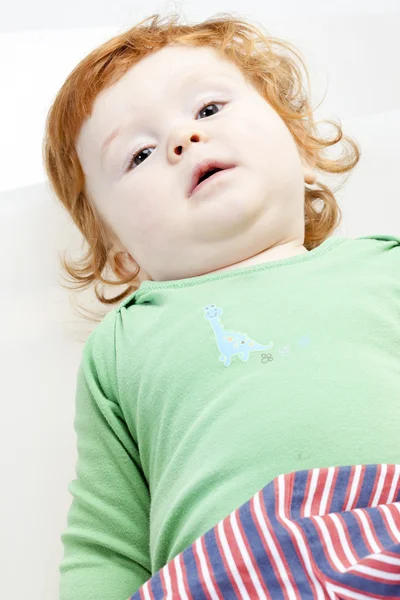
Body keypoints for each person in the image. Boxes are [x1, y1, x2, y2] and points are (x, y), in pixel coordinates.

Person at [42, 12, 400, 600]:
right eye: (138, 154)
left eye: (208, 109)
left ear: (300, 142)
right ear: (120, 253)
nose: (184, 140)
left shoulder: (384, 265)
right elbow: (104, 544)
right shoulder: (125, 344)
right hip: (230, 576)